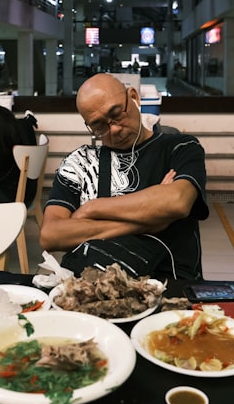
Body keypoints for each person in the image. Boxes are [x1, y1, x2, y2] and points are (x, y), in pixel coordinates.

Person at [41, 74, 209, 280]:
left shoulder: (180, 147)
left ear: (134, 97)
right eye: (99, 126)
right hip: (93, 287)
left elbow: (177, 202)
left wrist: (91, 209)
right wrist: (148, 222)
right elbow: (51, 235)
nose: (115, 129)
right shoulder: (80, 163)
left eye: (117, 114)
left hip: (169, 284)